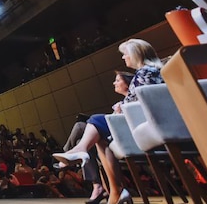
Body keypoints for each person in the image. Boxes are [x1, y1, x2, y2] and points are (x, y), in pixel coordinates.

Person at [53, 38, 165, 204]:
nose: (123, 57)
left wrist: (123, 105)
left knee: (95, 121)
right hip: (144, 125)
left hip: (146, 127)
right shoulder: (150, 71)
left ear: (136, 54)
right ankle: (115, 191)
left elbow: (145, 103)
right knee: (99, 139)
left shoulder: (145, 72)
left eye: (125, 54)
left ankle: (80, 151)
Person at [60, 71, 136, 204]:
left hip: (124, 137)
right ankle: (97, 186)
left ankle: (70, 153)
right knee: (81, 134)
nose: (114, 83)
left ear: (128, 84)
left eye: (118, 80)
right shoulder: (123, 102)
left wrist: (119, 113)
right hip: (112, 136)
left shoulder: (133, 99)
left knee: (84, 125)